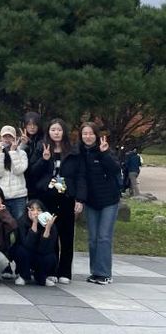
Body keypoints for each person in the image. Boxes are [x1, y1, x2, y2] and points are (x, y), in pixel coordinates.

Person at [27, 118, 86, 284]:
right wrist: (44, 159)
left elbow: (80, 176)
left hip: (67, 197)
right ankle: (50, 270)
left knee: (67, 236)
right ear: (48, 132)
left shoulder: (73, 151)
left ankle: (65, 271)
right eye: (53, 130)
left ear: (64, 132)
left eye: (59, 130)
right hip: (47, 197)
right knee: (49, 233)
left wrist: (80, 199)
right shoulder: (41, 147)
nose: (56, 133)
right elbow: (32, 172)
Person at [79, 122, 121, 285]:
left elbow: (115, 169)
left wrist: (104, 154)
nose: (88, 136)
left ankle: (104, 273)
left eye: (91, 133)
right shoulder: (79, 152)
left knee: (104, 237)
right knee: (93, 238)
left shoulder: (104, 150)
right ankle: (95, 272)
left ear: (96, 135)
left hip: (109, 200)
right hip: (91, 201)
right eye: (85, 133)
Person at [12, 199, 58, 286]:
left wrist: (47, 229)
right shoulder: (22, 222)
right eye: (32, 210)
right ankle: (24, 276)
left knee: (51, 257)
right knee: (20, 250)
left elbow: (46, 249)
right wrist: (34, 223)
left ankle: (42, 277)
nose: (36, 213)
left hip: (40, 254)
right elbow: (27, 244)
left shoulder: (50, 224)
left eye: (39, 210)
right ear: (27, 211)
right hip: (27, 253)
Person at [0, 125, 28, 220]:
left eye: (10, 136)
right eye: (5, 136)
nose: (7, 139)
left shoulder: (22, 153)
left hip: (19, 197)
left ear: (15, 138)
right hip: (2, 197)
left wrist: (13, 152)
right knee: (3, 225)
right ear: (0, 138)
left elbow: (19, 170)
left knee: (20, 225)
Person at [22, 111, 45, 195]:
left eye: (35, 125)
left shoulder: (43, 140)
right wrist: (23, 145)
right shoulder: (21, 140)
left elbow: (34, 159)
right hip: (25, 179)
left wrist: (29, 144)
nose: (32, 127)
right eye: (29, 124)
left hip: (39, 178)